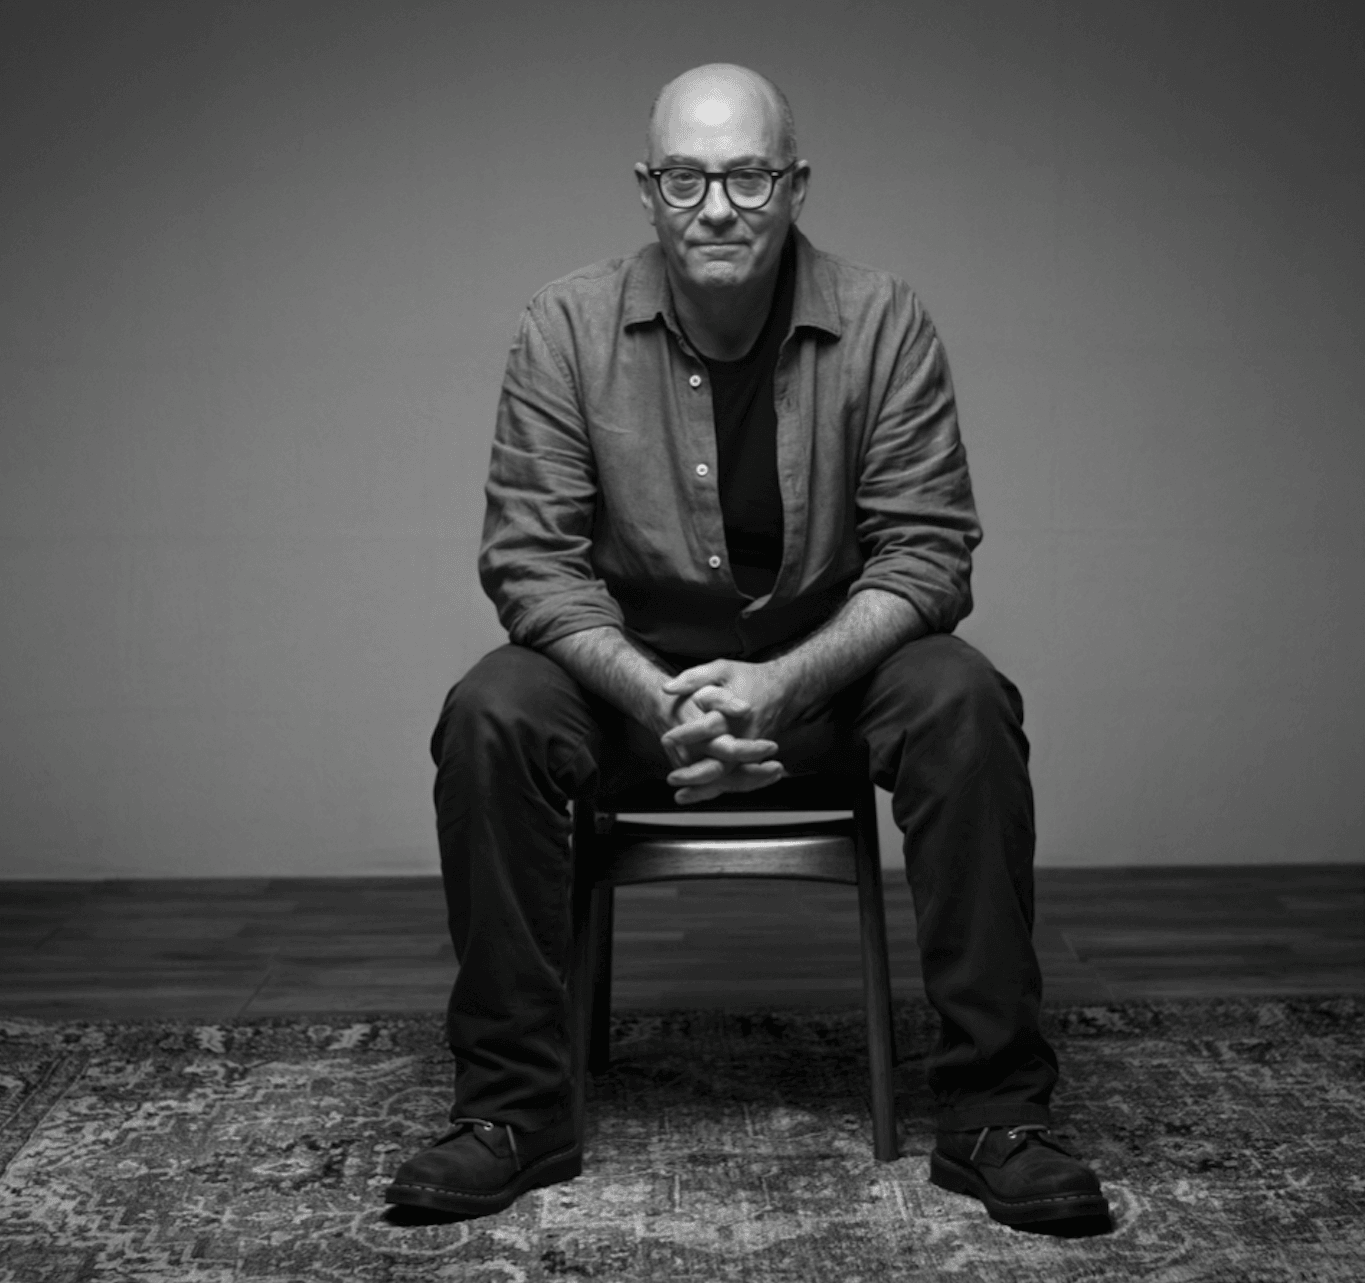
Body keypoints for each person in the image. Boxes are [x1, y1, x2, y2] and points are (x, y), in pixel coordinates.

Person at [385, 63, 1108, 1230]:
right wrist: (661, 696)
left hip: (829, 689)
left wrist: (777, 685)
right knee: (490, 708)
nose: (716, 205)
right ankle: (513, 1110)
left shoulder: (885, 321)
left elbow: (927, 557)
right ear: (647, 188)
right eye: (686, 177)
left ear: (796, 184)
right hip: (628, 698)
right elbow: (530, 564)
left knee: (964, 694)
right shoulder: (565, 325)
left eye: (747, 176)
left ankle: (995, 1115)